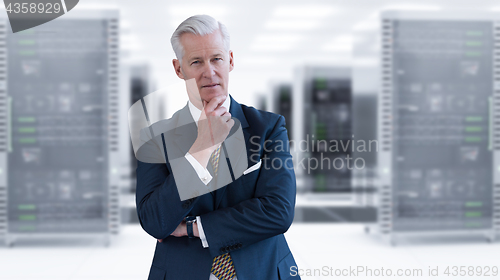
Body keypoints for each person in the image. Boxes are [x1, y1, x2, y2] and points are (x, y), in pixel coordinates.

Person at [135, 14, 300, 280]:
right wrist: (201, 148)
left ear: (230, 60)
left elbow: (278, 212)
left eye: (216, 59)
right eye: (196, 62)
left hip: (262, 271)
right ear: (179, 69)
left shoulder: (267, 128)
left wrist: (192, 228)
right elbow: (155, 221)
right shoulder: (154, 139)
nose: (209, 71)